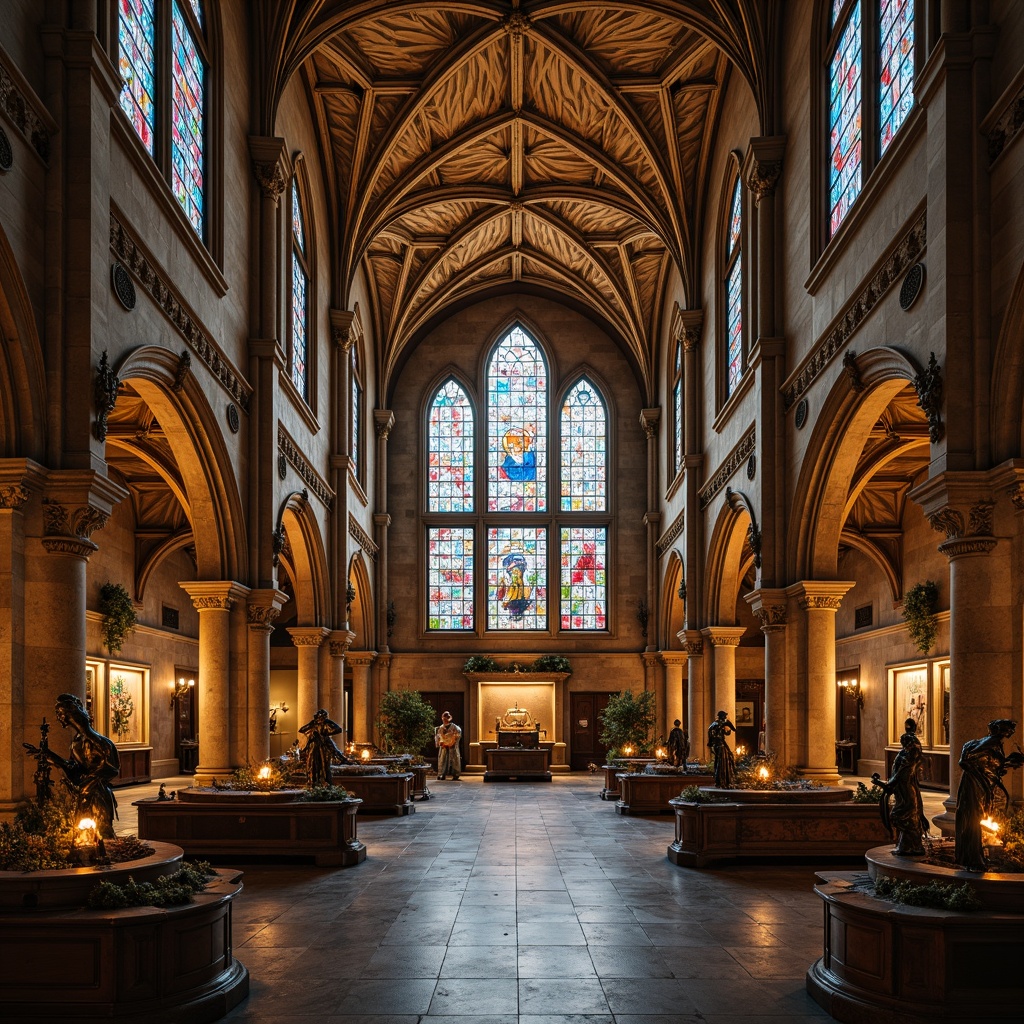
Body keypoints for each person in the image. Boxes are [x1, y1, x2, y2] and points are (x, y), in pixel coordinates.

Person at [23, 693, 120, 838]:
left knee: (103, 834)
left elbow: (112, 769)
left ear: (72, 712)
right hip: (83, 796)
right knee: (83, 835)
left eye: (60, 713)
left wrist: (89, 783)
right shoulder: (76, 742)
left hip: (97, 795)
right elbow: (74, 770)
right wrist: (51, 757)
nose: (58, 717)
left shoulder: (99, 741)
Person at [954, 718, 1024, 871]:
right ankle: (974, 859)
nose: (1010, 734)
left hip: (978, 784)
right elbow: (965, 761)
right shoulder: (991, 742)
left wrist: (1008, 763)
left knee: (977, 818)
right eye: (1008, 731)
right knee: (974, 818)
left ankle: (974, 855)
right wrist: (984, 780)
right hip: (975, 785)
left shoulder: (994, 744)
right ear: (1001, 731)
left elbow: (990, 765)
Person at [871, 718, 927, 856]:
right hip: (902, 792)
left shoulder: (908, 763)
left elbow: (897, 778)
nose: (905, 747)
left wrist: (880, 783)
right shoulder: (906, 757)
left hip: (906, 793)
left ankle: (912, 846)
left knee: (903, 816)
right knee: (907, 817)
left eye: (906, 745)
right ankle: (908, 846)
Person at [299, 708, 350, 788]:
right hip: (314, 746)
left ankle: (326, 784)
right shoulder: (314, 723)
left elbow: (338, 729)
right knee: (313, 765)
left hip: (323, 746)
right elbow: (302, 729)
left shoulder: (327, 723)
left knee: (325, 765)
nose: (321, 719)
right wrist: (313, 727)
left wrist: (326, 733)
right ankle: (313, 783)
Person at [707, 710, 736, 788]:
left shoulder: (713, 724)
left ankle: (719, 780)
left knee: (719, 761)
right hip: (721, 744)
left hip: (716, 745)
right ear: (722, 717)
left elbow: (710, 732)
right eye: (725, 716)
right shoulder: (722, 723)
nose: (726, 717)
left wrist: (710, 743)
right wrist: (729, 727)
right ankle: (723, 779)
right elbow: (733, 729)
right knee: (724, 760)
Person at [435, 711, 462, 780]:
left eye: (446, 718)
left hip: (452, 746)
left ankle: (455, 774)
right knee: (443, 760)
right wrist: (440, 742)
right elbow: (438, 736)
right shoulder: (441, 728)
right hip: (444, 746)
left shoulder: (455, 727)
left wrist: (453, 742)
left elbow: (457, 735)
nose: (445, 720)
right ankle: (441, 774)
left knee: (454, 759)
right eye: (444, 718)